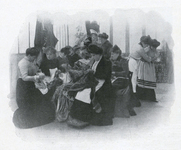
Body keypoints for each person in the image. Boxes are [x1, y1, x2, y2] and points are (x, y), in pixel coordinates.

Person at [68, 44, 113, 127]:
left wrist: (92, 73)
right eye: (92, 55)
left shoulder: (107, 62)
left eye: (94, 55)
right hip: (95, 82)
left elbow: (105, 75)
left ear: (99, 54)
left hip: (103, 84)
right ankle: (77, 117)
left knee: (86, 93)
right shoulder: (95, 61)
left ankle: (83, 118)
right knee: (80, 92)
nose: (92, 57)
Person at [13, 47, 55, 129]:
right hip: (23, 86)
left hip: (29, 85)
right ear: (29, 55)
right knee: (29, 103)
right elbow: (24, 77)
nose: (35, 58)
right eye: (34, 57)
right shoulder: (23, 63)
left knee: (37, 100)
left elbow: (34, 70)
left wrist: (38, 73)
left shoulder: (30, 61)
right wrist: (37, 77)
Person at [111, 45, 136, 117]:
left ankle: (114, 111)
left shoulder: (123, 61)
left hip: (123, 80)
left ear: (118, 54)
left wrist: (114, 73)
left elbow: (126, 73)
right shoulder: (111, 60)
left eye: (113, 54)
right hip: (115, 79)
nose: (111, 55)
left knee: (110, 88)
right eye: (111, 54)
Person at [128, 35, 154, 106]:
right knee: (134, 79)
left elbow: (142, 51)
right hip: (134, 62)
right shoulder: (141, 49)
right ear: (142, 42)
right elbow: (147, 59)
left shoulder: (137, 45)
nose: (146, 45)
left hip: (132, 61)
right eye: (146, 44)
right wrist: (153, 58)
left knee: (133, 79)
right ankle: (134, 96)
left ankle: (134, 94)